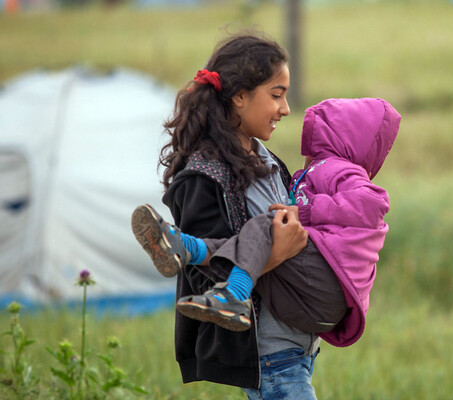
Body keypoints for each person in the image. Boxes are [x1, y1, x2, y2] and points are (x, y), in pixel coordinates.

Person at [132, 98, 401, 350]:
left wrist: (304, 212)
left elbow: (372, 204)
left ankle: (234, 294)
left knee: (267, 226)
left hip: (327, 278)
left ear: (339, 136)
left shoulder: (343, 170)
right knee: (250, 246)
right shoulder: (315, 171)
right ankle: (185, 248)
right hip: (319, 295)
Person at [141, 32, 320, 399]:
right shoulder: (205, 176)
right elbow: (209, 282)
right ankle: (181, 245)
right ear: (239, 96)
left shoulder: (266, 160)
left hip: (295, 347)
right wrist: (278, 253)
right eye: (276, 94)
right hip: (268, 354)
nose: (285, 109)